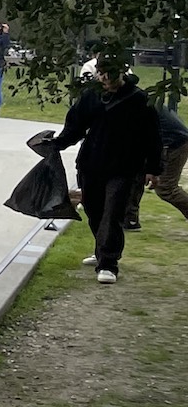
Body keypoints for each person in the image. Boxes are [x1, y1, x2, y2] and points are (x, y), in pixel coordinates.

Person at [51, 61, 164, 283]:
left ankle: (109, 264)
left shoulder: (139, 99)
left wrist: (153, 168)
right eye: (101, 74)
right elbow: (75, 126)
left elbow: (152, 136)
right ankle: (101, 250)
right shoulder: (90, 96)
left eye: (110, 73)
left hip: (125, 166)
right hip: (91, 163)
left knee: (113, 212)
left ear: (122, 72)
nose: (105, 78)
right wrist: (56, 144)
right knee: (94, 210)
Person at [130, 99, 188, 226]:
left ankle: (129, 217)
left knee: (166, 188)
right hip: (172, 140)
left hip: (173, 143)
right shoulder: (137, 98)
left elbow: (146, 138)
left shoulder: (131, 105)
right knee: (134, 175)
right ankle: (130, 218)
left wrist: (152, 168)